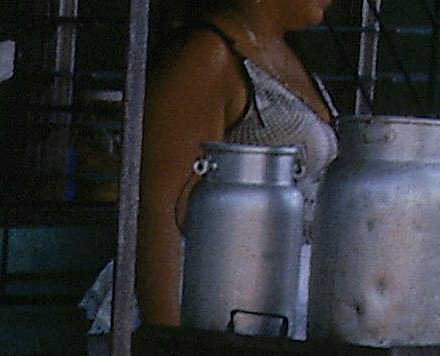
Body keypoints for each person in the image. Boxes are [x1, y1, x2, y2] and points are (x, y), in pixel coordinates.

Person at [108, 0, 339, 333]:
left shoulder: (287, 53)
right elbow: (157, 211)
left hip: (273, 313)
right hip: (213, 315)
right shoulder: (208, 56)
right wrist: (170, 347)